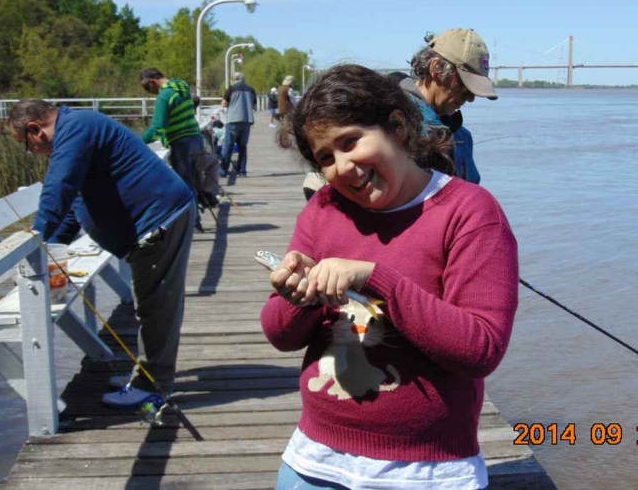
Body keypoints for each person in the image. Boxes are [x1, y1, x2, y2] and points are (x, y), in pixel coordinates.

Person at [261, 65, 518, 489]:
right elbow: (280, 336)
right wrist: (296, 296)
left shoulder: (471, 213)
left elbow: (481, 349)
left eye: (351, 142)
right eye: (326, 157)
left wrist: (375, 279)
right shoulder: (325, 207)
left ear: (397, 127)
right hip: (315, 462)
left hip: (429, 471)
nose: (343, 166)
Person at [8, 99, 196, 408]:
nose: (31, 153)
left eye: (26, 145)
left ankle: (153, 386)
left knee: (155, 309)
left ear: (35, 130)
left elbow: (59, 188)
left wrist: (37, 236)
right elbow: (73, 204)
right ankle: (147, 376)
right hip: (154, 223)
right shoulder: (76, 128)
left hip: (159, 222)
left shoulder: (76, 128)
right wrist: (50, 246)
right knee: (149, 305)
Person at [400, 28, 498, 185]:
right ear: (436, 68)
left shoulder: (463, 137)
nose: (471, 98)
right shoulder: (391, 123)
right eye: (465, 84)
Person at [140, 67, 204, 231]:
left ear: (153, 81)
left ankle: (191, 221)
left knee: (184, 184)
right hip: (195, 138)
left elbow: (157, 129)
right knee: (192, 180)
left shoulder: (164, 96)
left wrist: (137, 141)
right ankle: (195, 219)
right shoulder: (182, 87)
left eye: (147, 88)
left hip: (181, 141)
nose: (149, 92)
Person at [220, 72, 257, 178]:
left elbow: (224, 104)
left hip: (233, 120)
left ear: (234, 79)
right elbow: (254, 106)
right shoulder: (251, 90)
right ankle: (242, 172)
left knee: (228, 146)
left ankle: (223, 171)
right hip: (247, 120)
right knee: (242, 147)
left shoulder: (231, 89)